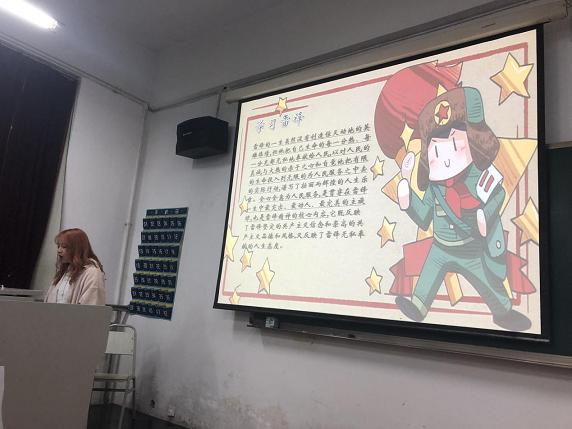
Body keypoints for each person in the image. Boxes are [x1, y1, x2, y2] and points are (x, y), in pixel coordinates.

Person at [395, 87, 530, 331]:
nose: (446, 159)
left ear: (473, 142)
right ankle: (418, 306)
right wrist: (408, 199)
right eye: (437, 151)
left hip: (470, 248)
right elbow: (424, 216)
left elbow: (497, 194)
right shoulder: (435, 187)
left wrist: (485, 216)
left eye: (455, 146)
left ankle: (503, 312)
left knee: (487, 282)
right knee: (428, 276)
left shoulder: (478, 175)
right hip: (440, 247)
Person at [44, 228, 106, 305]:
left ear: (77, 249)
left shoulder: (92, 272)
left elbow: (91, 306)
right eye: (58, 246)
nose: (59, 250)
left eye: (64, 247)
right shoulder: (65, 270)